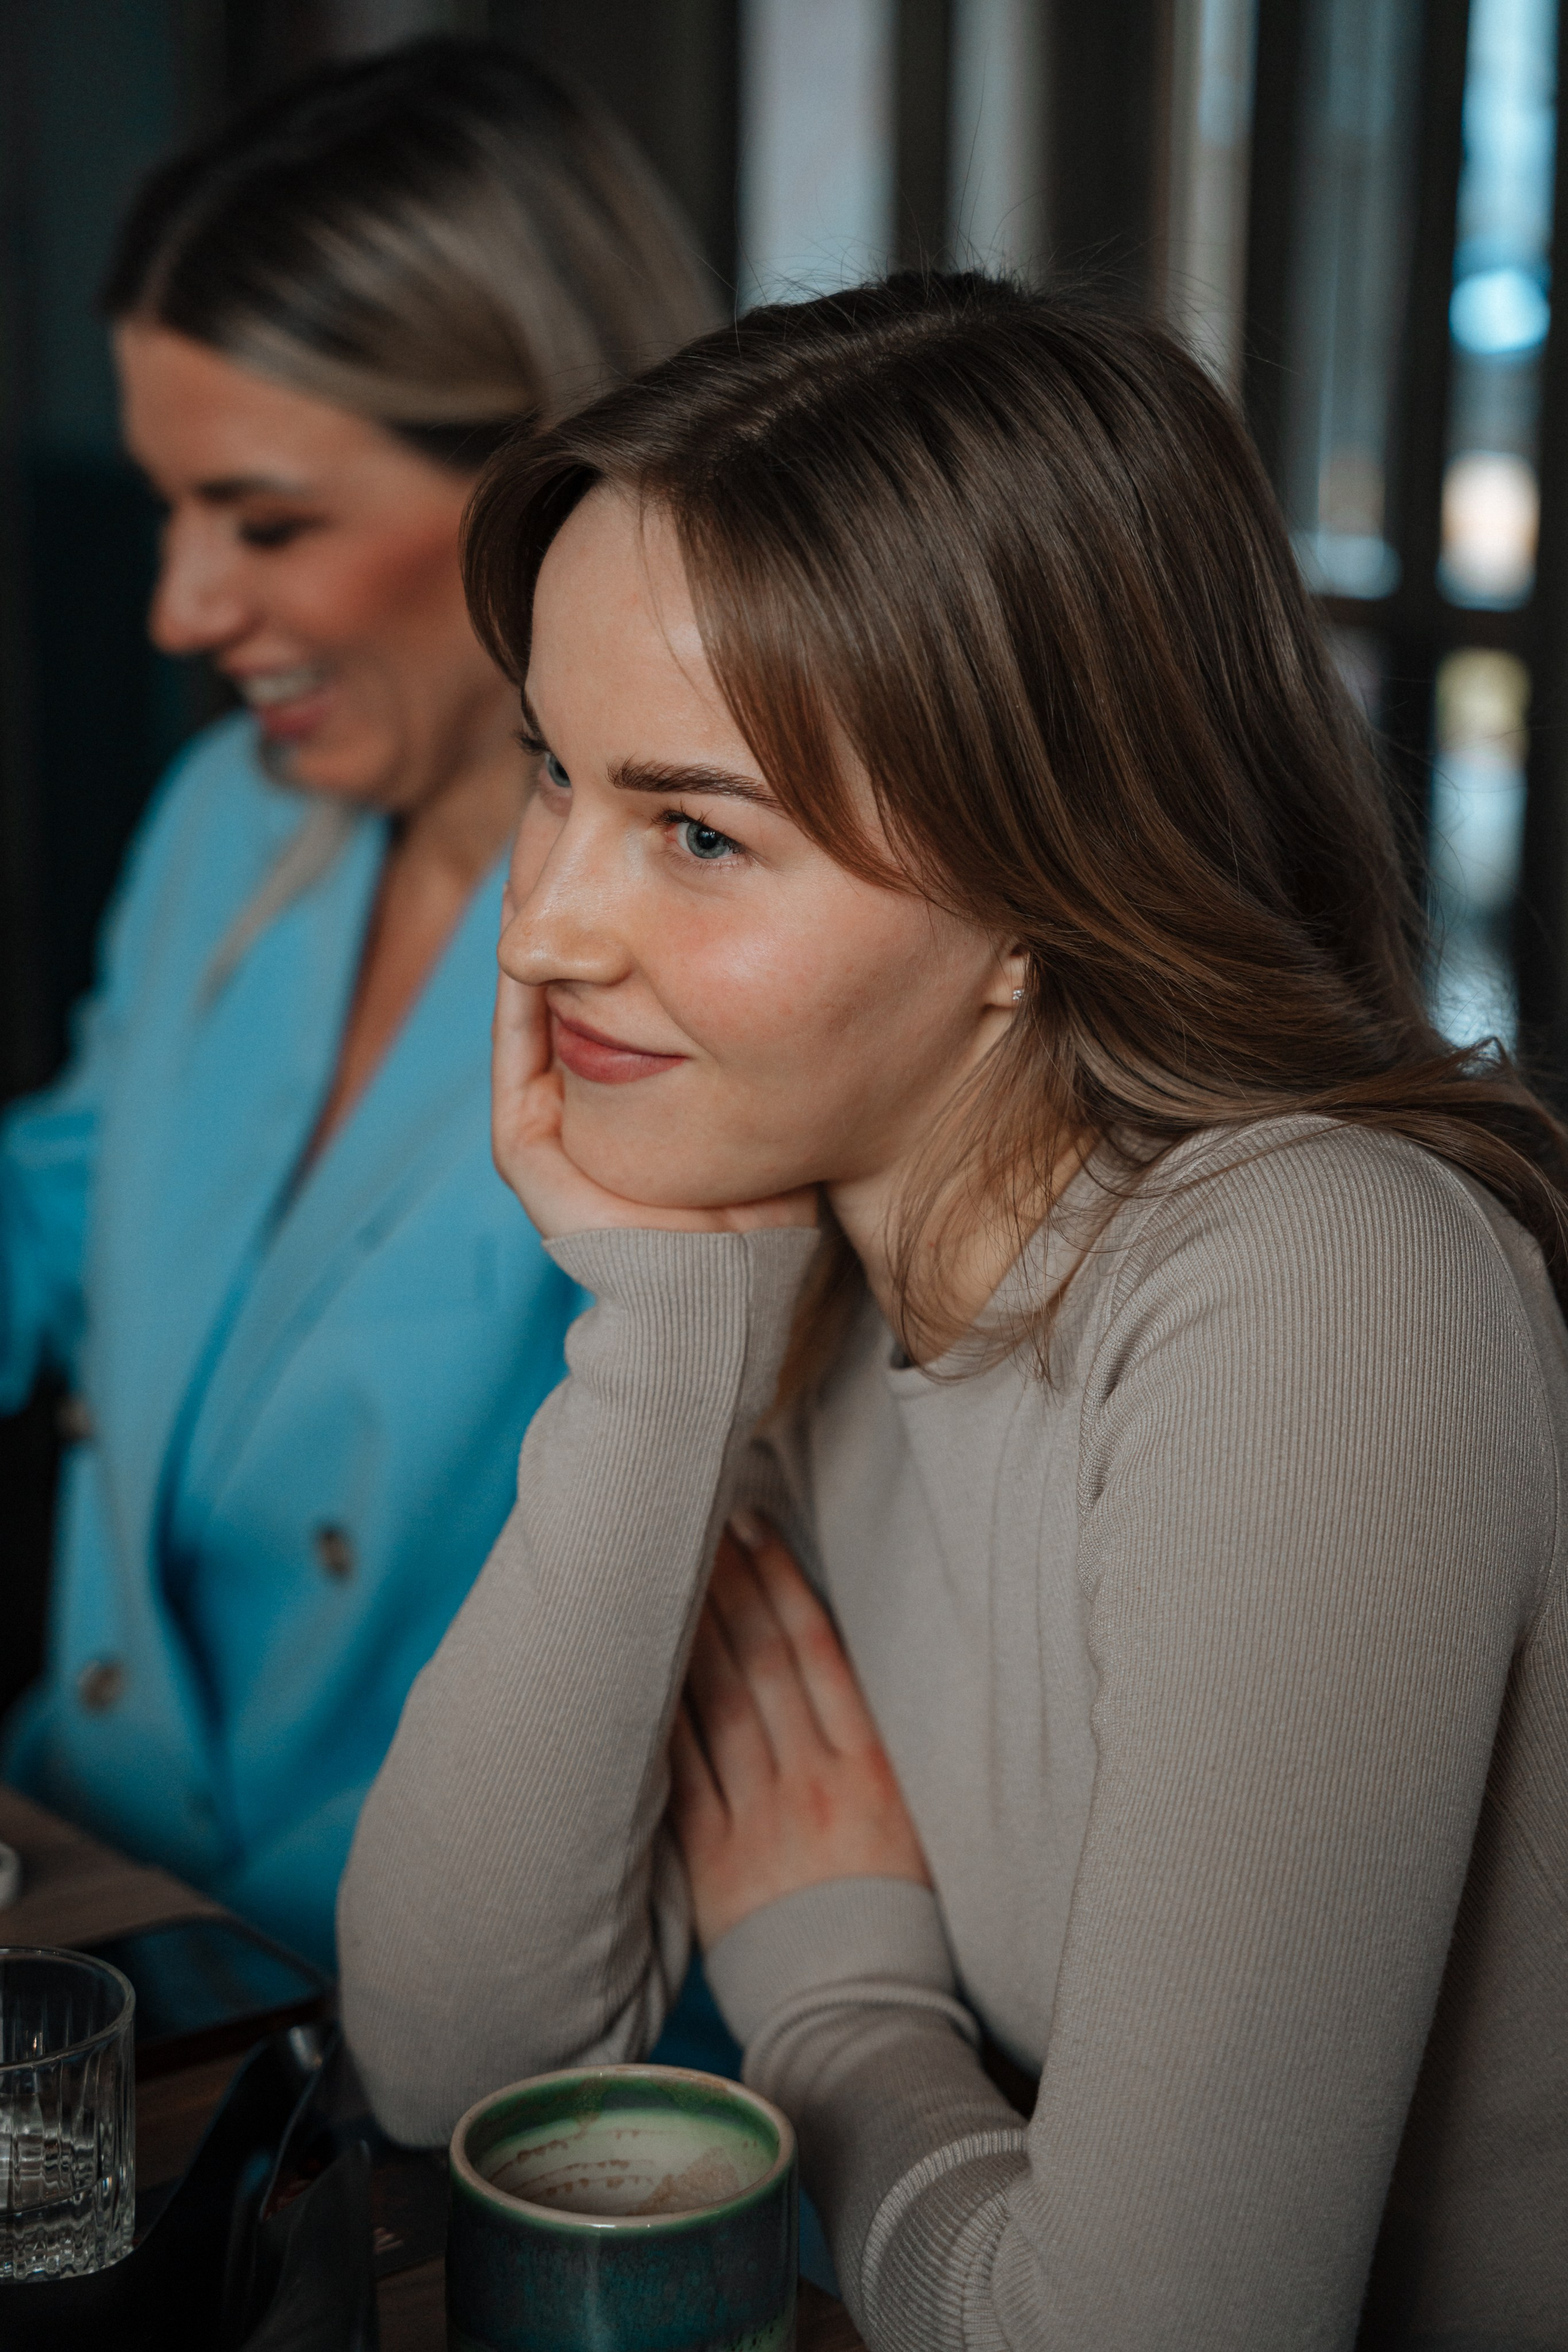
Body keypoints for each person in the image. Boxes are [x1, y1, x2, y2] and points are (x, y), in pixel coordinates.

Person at [338, 274, 1568, 2346]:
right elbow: (452, 2069)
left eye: (697, 832)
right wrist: (664, 1318)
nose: (541, 927)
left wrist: (835, 2008)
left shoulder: (1312, 1284)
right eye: (557, 770)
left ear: (1032, 892)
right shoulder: (799, 1235)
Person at [0, 37, 717, 1975]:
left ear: (542, 485)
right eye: (168, 513)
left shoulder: (719, 954)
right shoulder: (229, 822)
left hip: (465, 2017)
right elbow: (66, 1199)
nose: (178, 609)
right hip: (90, 1889)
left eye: (267, 521)